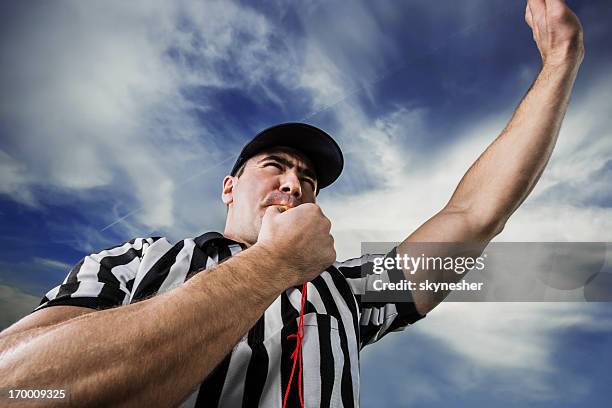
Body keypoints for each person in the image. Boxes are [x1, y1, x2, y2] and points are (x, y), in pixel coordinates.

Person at [0, 0, 584, 407]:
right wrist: (273, 264)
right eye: (274, 166)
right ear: (229, 187)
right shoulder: (134, 262)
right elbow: (18, 390)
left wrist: (560, 64)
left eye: (308, 179)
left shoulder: (348, 293)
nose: (294, 184)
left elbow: (473, 217)